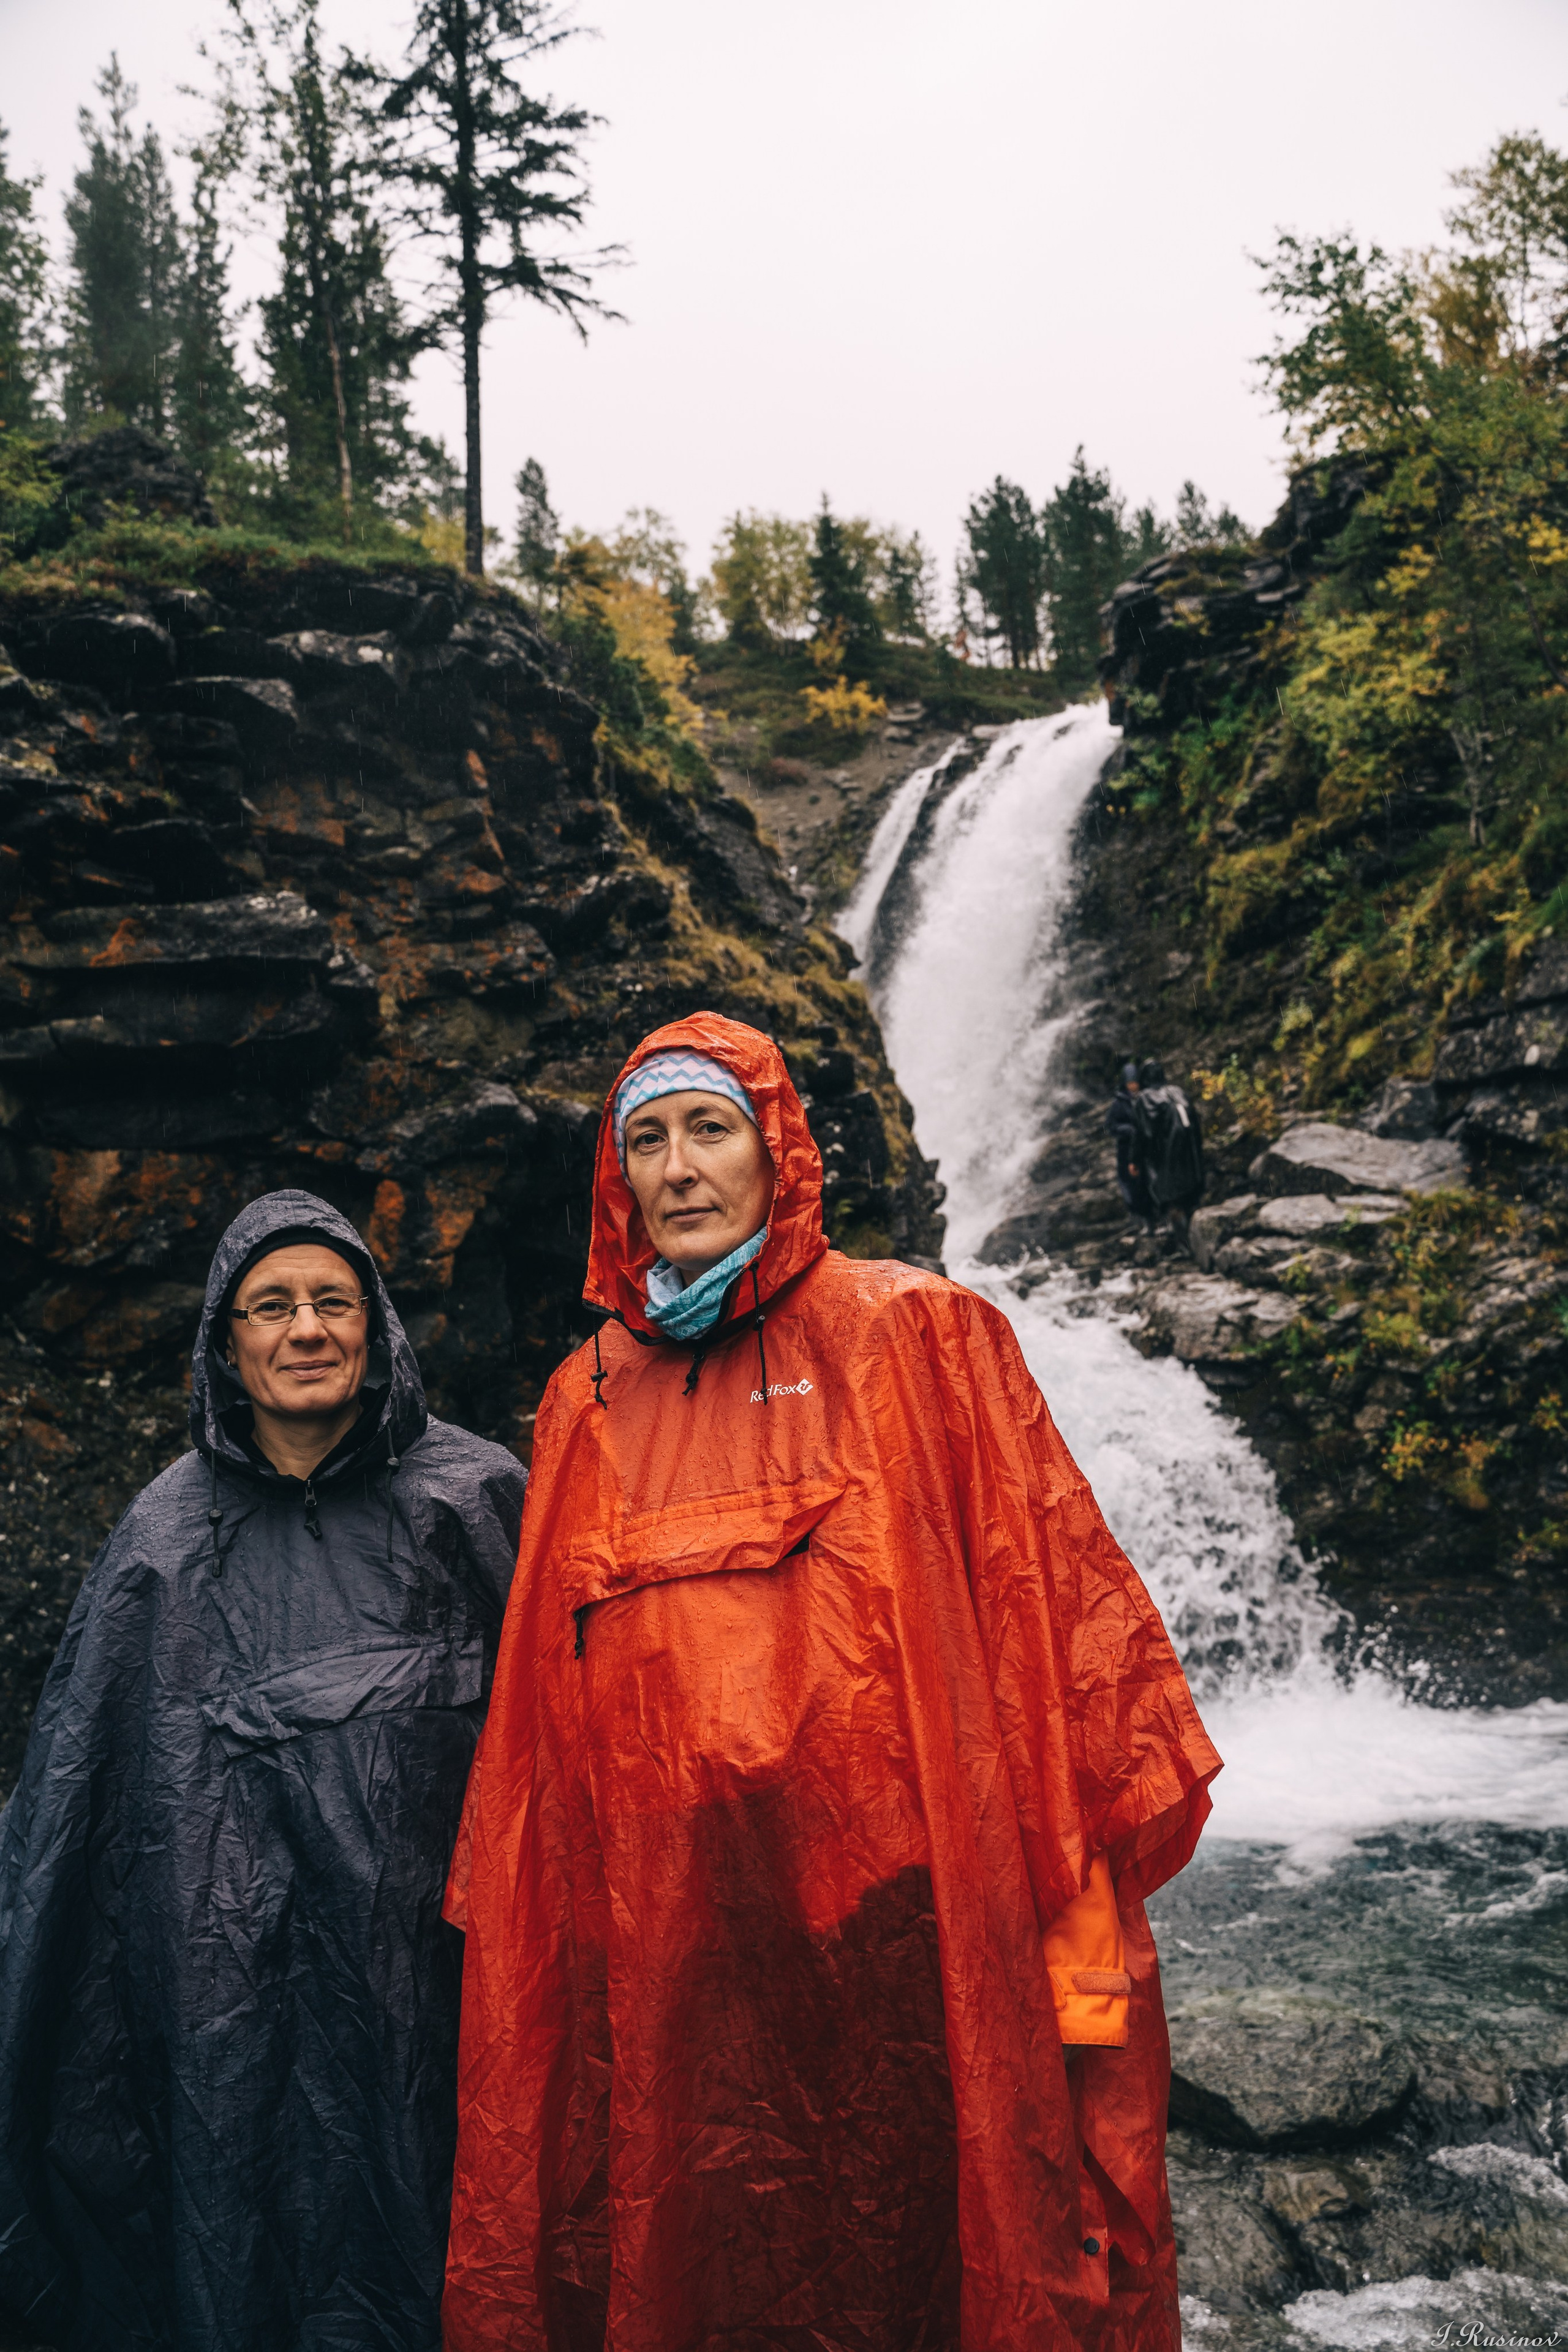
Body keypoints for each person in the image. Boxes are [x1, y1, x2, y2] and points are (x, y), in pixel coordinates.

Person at [443, 1012, 1221, 2352]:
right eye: (645, 1141)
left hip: (914, 1961)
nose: (678, 1168)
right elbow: (538, 1729)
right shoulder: (586, 1400)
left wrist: (1078, 1961)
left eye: (708, 1129)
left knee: (936, 2241)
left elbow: (1058, 1636)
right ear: (613, 1187)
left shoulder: (911, 1334)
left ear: (777, 1151)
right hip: (679, 1962)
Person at [0, 1190, 527, 2352]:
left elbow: (575, 1740)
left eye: (333, 1302)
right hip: (231, 2014)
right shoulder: (162, 1540)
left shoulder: (477, 1497)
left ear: (377, 1324)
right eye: (272, 1306)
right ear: (226, 1346)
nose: (306, 1331)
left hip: (439, 1995)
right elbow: (80, 1814)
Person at [1135, 1058, 1207, 1249]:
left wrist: (1135, 1159)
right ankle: (1195, 1240)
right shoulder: (1177, 1091)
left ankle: (1184, 1246)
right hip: (1190, 1152)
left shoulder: (1146, 1098)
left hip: (1169, 1154)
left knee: (1172, 1198)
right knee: (1187, 1197)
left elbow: (1144, 1134)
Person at [1107, 1059, 1155, 1232]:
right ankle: (1142, 1221)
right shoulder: (1119, 1103)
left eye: (1135, 1083)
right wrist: (1130, 1130)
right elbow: (1111, 1127)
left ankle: (1154, 1220)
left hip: (1145, 1150)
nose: (1133, 1086)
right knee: (1132, 1187)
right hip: (1126, 1151)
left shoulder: (1147, 1098)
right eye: (1130, 1083)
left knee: (1148, 1184)